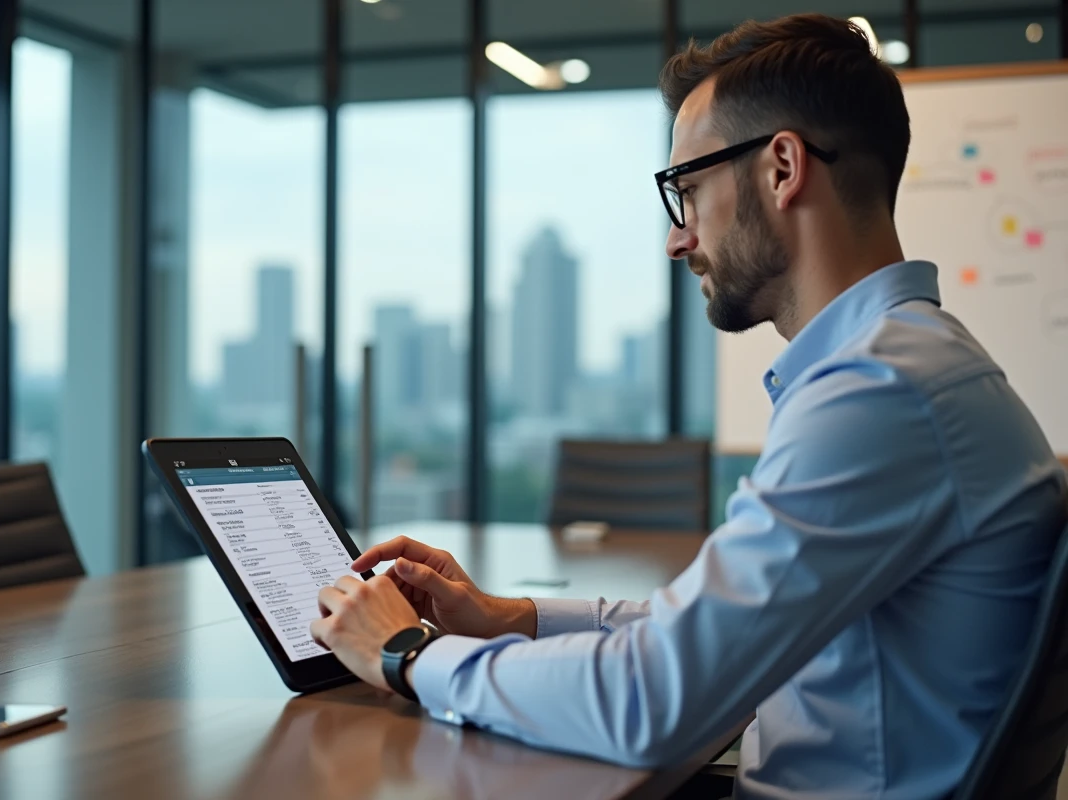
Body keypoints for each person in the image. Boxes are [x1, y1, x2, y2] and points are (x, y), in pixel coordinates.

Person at [308, 13, 1067, 798]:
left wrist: (408, 655)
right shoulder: (910, 365)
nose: (678, 239)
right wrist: (513, 619)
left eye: (689, 190)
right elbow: (709, 636)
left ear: (781, 169)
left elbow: (655, 698)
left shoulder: (880, 392)